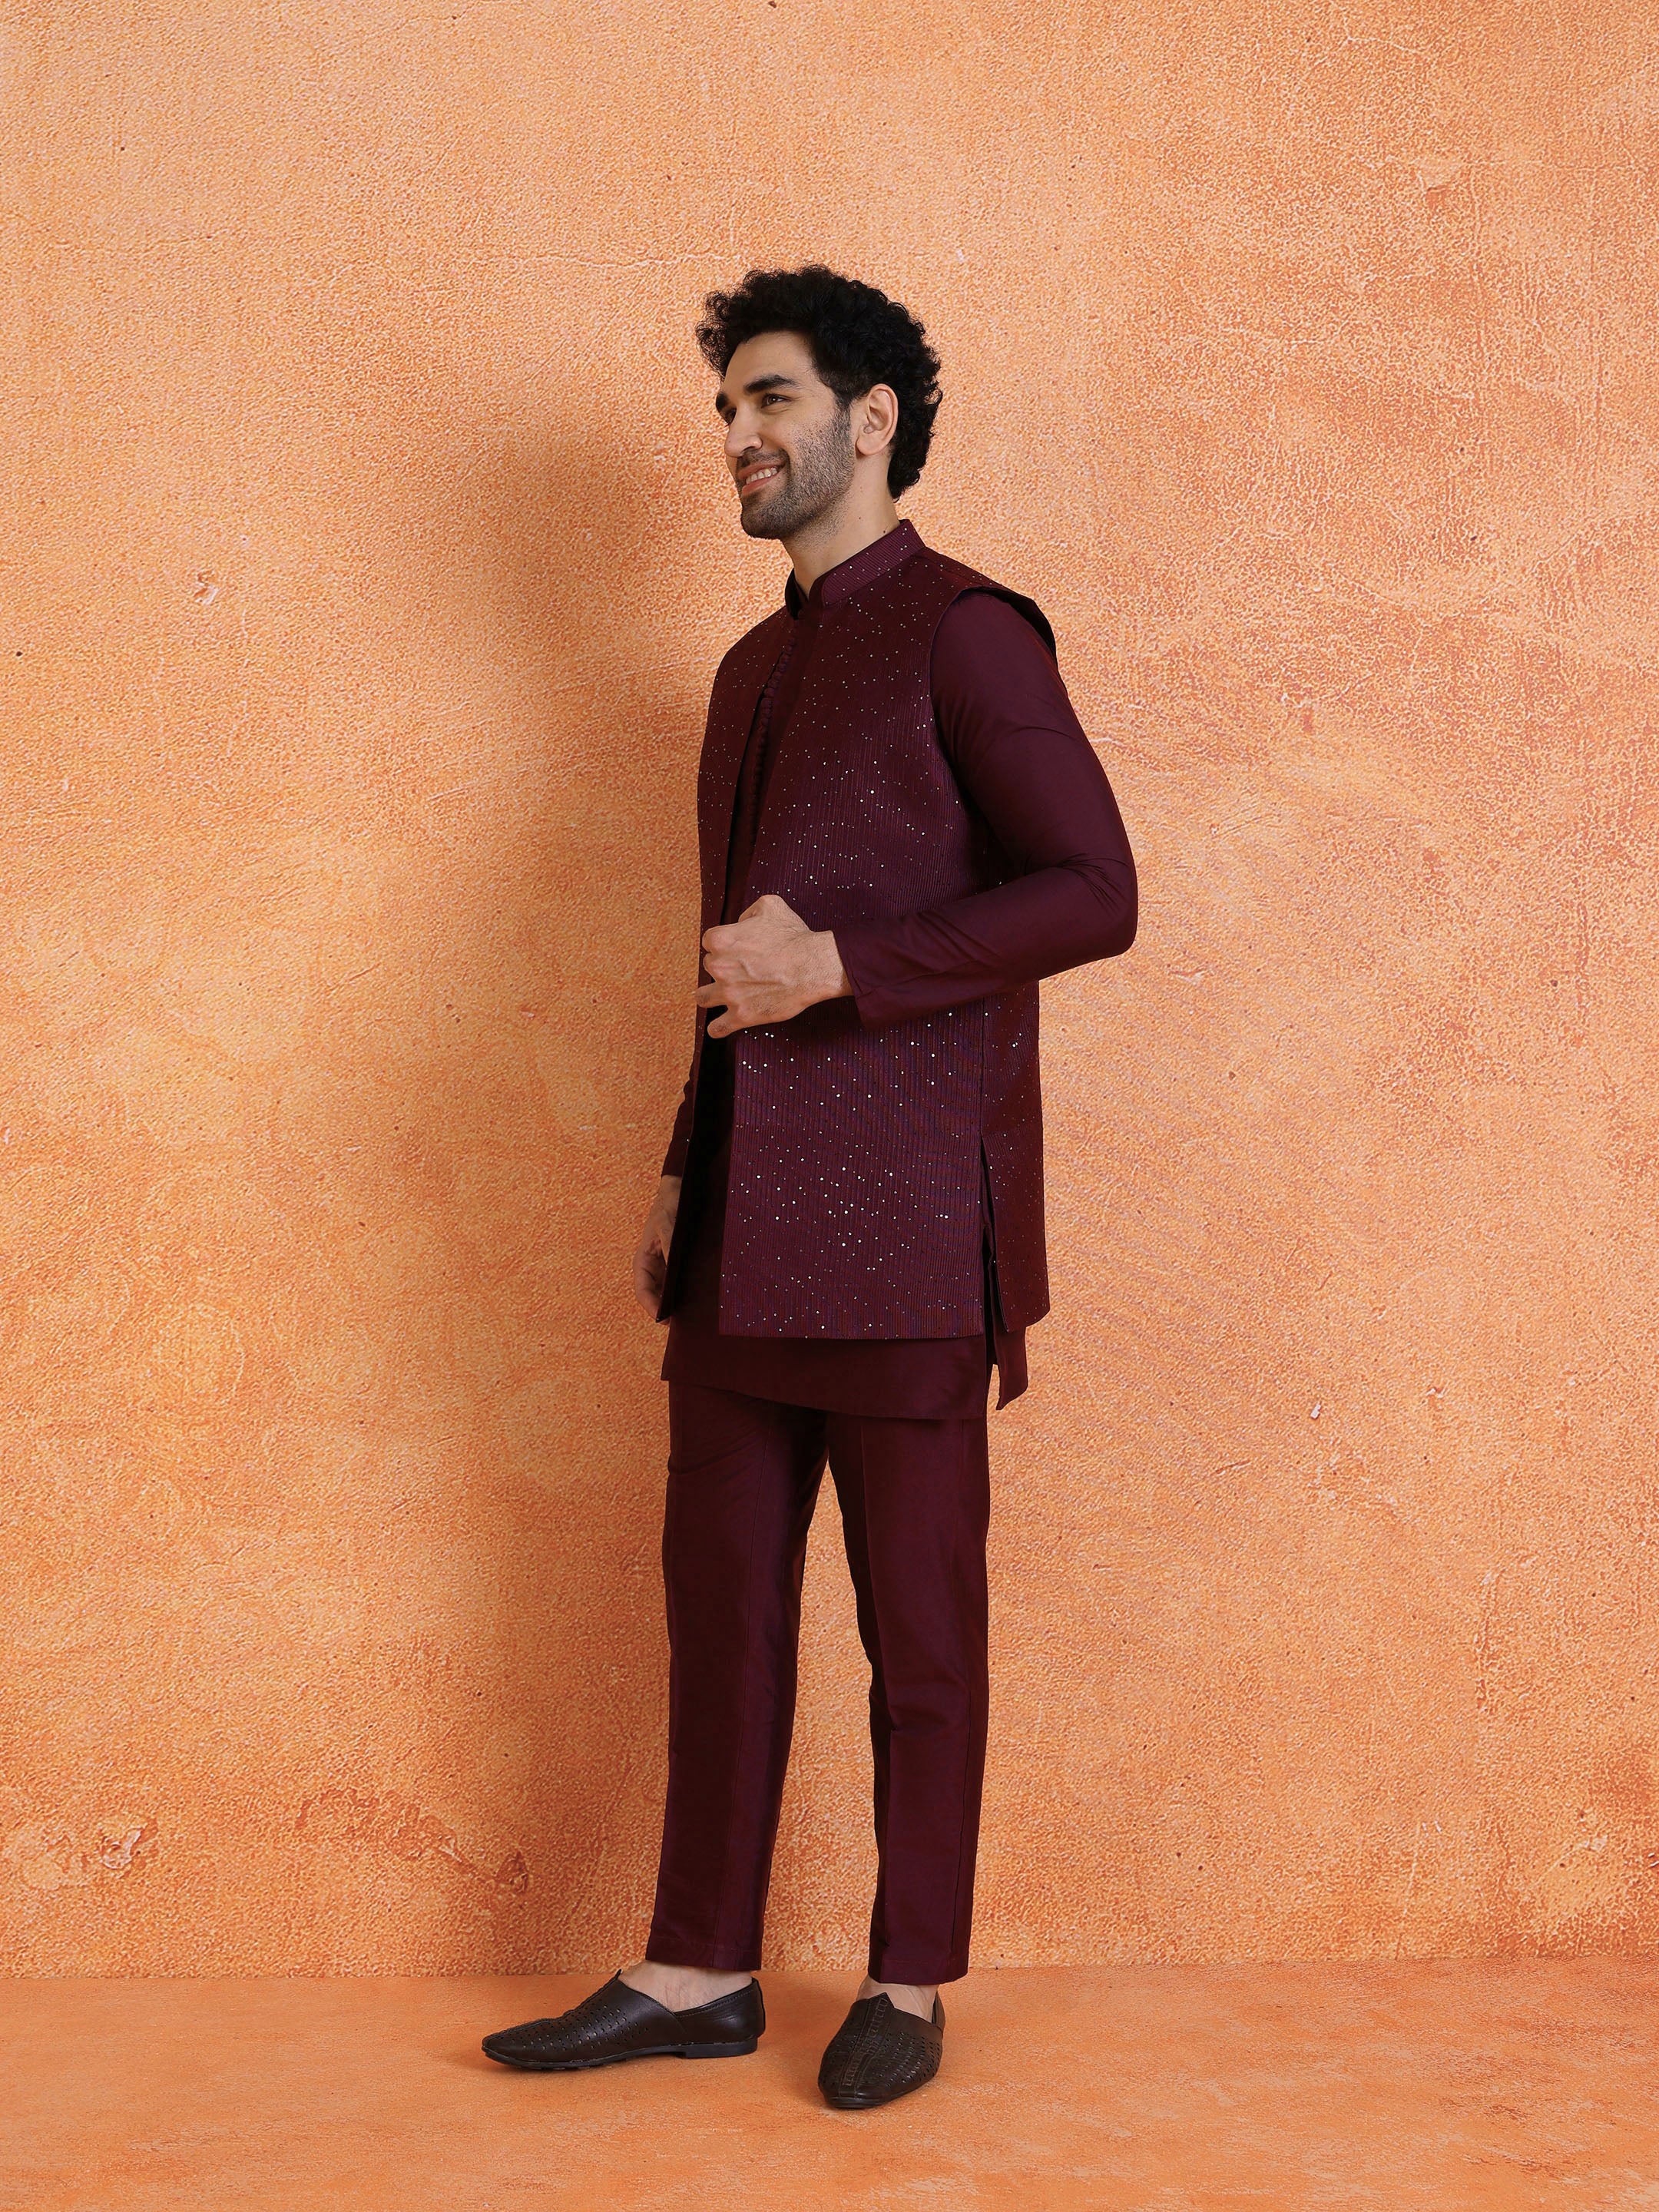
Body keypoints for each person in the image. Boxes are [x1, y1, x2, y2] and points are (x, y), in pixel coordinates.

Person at [483, 265, 1137, 2110]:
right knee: (721, 1613)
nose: (738, 437)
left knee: (918, 1634)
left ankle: (908, 1981)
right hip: (738, 1229)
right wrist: (680, 1161)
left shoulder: (970, 636)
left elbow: (1096, 891)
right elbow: (727, 963)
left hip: (912, 1228)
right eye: (725, 411)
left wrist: (843, 964)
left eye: (769, 400)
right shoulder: (751, 669)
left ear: (872, 417)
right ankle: (698, 1966)